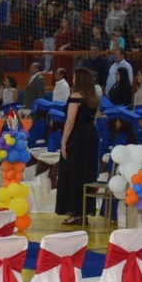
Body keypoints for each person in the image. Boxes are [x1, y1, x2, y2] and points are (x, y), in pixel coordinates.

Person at [55, 68, 102, 225]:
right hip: (91, 136)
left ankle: (75, 211)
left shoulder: (76, 96)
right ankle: (83, 211)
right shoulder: (93, 97)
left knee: (73, 171)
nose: (73, 79)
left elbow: (70, 121)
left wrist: (63, 141)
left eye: (74, 76)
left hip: (78, 136)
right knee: (86, 172)